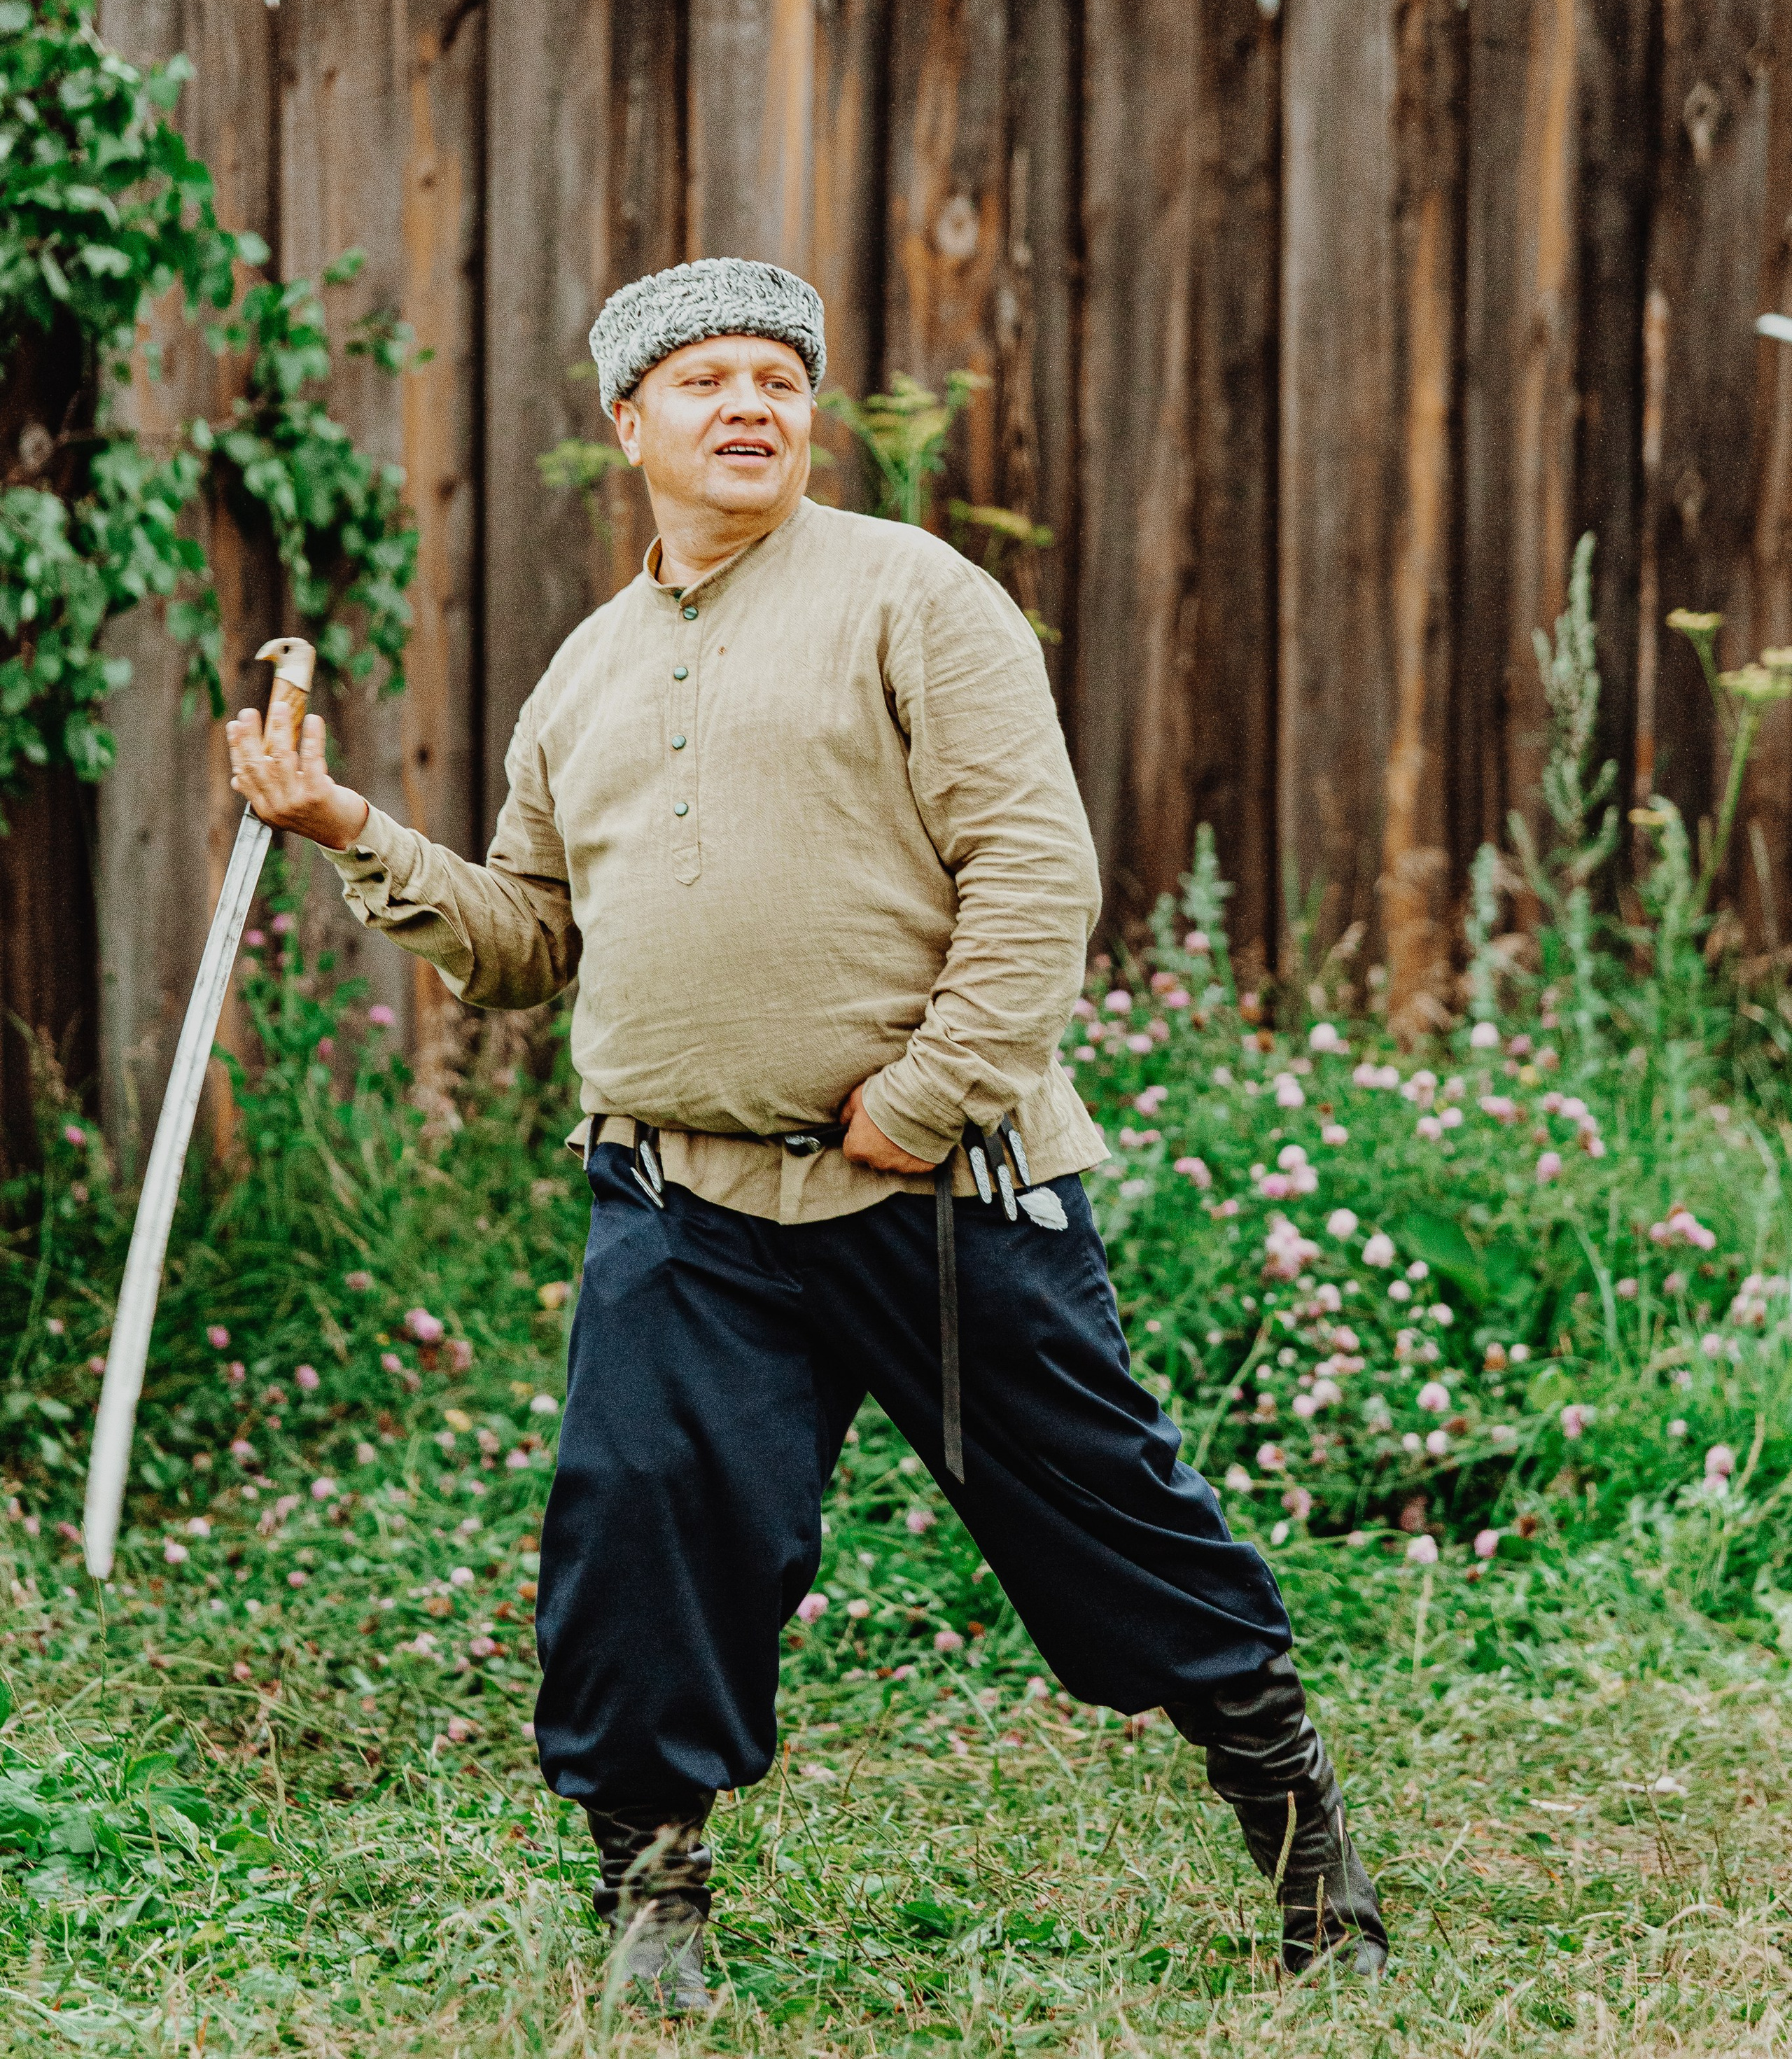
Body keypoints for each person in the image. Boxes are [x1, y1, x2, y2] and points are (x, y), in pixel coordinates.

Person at [225, 255, 1387, 2009]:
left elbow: (1032, 872)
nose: (749, 404)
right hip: (678, 1198)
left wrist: (920, 1104)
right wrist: (342, 821)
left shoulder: (912, 595)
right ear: (629, 425)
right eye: (703, 381)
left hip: (941, 1191)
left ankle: (1315, 1878)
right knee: (636, 1526)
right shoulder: (586, 674)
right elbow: (531, 945)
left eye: (779, 374)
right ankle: (656, 1909)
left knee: (1111, 1523)